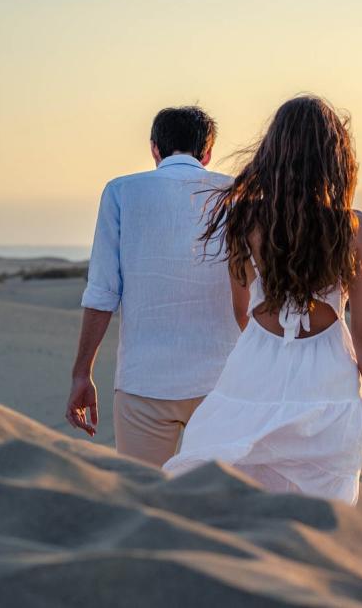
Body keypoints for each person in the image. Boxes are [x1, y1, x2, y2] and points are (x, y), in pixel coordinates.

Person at [163, 96, 362, 505]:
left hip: (256, 363)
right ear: (333, 157)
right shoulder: (354, 227)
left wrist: (269, 355)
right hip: (327, 373)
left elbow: (241, 310)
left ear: (273, 152)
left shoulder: (243, 220)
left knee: (240, 484)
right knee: (324, 502)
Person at [66, 106, 240, 467]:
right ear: (207, 153)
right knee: (220, 504)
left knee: (143, 499)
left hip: (143, 381)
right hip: (224, 382)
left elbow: (102, 292)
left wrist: (82, 372)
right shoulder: (237, 195)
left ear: (154, 148)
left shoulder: (121, 192)